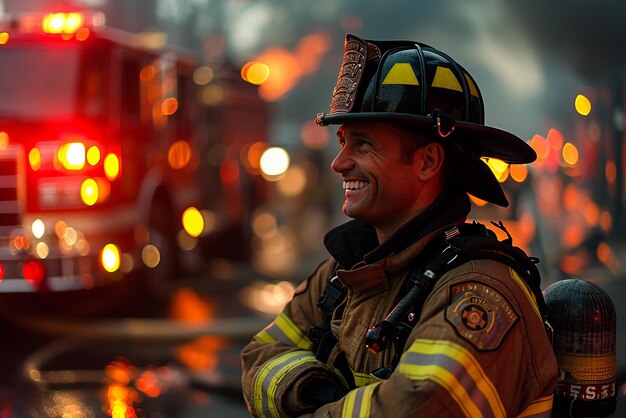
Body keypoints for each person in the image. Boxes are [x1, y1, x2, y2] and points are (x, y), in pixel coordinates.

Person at [241, 33, 558, 417]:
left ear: (427, 162)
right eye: (342, 142)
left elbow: (417, 406)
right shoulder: (343, 276)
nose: (338, 163)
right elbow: (260, 356)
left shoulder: (479, 294)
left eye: (363, 145)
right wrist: (316, 391)